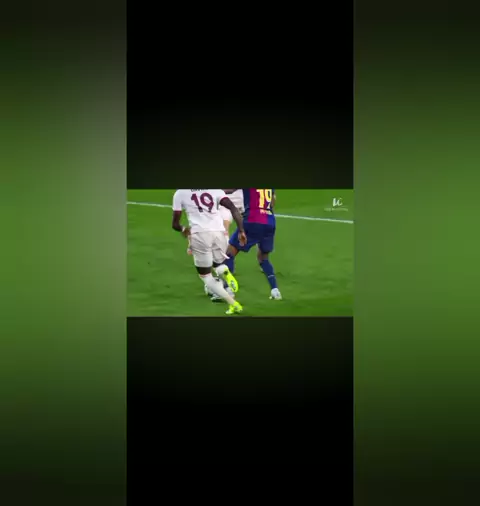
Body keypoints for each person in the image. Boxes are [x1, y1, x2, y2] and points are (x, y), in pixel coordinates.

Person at [172, 189, 247, 315]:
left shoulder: (181, 193)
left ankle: (233, 303)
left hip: (200, 234)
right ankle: (225, 271)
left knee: (205, 276)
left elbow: (175, 224)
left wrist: (184, 229)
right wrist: (241, 230)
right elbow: (233, 209)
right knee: (217, 263)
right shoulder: (215, 189)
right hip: (219, 233)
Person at [223, 188, 282, 300]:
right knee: (263, 258)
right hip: (269, 221)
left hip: (252, 220)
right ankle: (275, 290)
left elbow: (229, 190)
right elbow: (273, 200)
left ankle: (228, 289)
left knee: (229, 253)